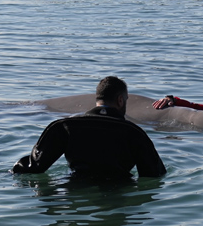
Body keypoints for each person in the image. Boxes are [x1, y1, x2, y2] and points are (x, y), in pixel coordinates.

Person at [11, 76, 166, 178]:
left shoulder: (65, 127)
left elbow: (34, 167)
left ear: (97, 99)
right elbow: (154, 175)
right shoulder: (134, 132)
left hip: (74, 191)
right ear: (120, 100)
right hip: (117, 193)